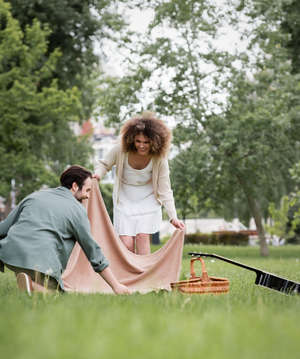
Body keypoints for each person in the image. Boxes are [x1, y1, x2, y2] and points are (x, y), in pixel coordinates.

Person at [0, 165, 130, 295]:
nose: (88, 196)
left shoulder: (35, 196)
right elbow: (93, 252)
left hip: (11, 253)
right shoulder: (77, 211)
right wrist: (116, 285)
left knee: (28, 269)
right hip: (41, 260)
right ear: (75, 186)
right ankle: (32, 285)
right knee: (56, 295)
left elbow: (4, 227)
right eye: (87, 190)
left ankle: (27, 280)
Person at [94, 112, 185, 254]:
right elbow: (104, 164)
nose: (141, 146)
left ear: (155, 141)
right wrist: (97, 176)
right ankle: (129, 275)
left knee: (142, 237)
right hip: (124, 199)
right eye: (138, 141)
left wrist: (173, 216)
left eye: (146, 142)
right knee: (126, 243)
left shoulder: (160, 159)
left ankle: (145, 275)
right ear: (131, 139)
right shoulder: (120, 150)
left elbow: (165, 190)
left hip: (148, 199)